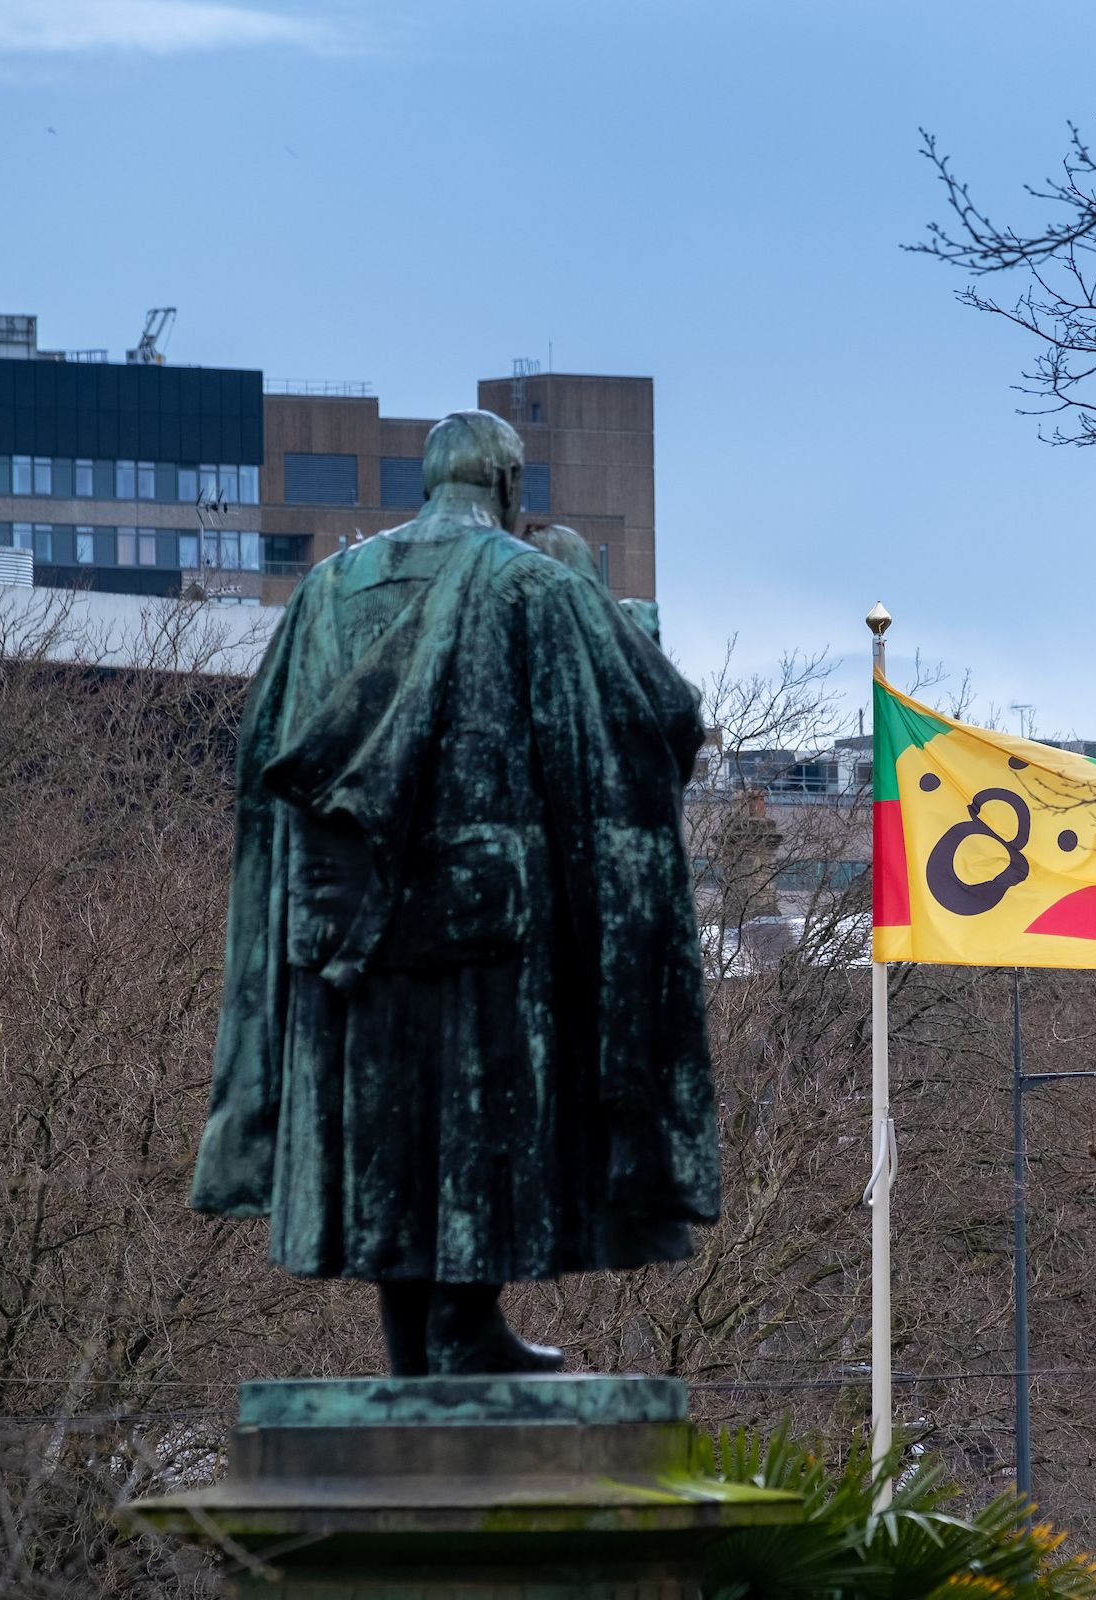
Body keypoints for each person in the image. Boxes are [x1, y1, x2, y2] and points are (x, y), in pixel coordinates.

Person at [190, 410, 715, 1375]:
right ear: (509, 486)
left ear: (425, 484)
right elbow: (653, 720)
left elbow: (273, 752)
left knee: (388, 1122)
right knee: (480, 1119)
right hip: (484, 914)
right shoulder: (534, 584)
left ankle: (420, 1348)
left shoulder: (325, 588)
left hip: (341, 919)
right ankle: (465, 1329)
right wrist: (608, 605)